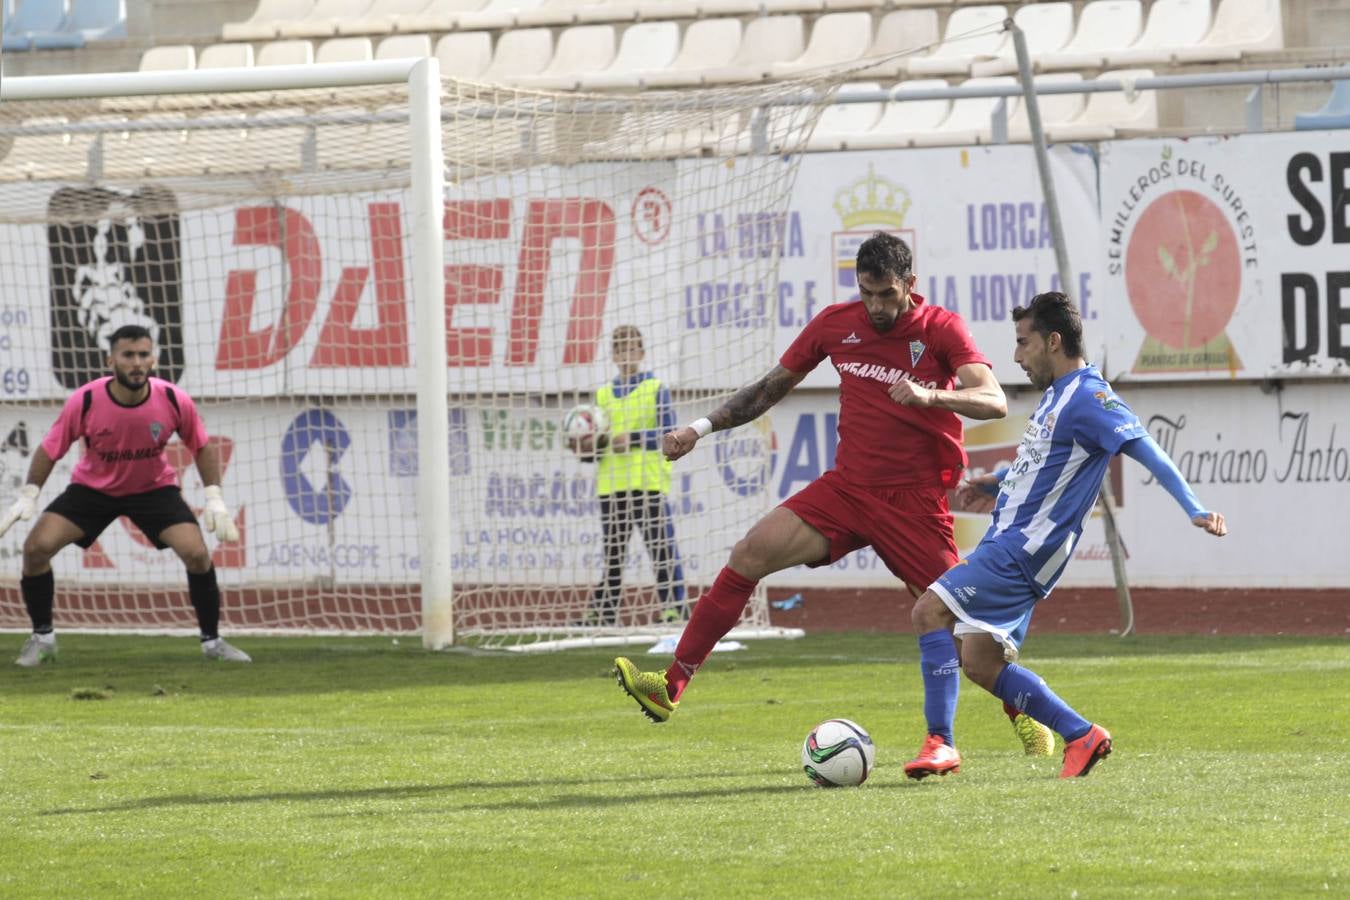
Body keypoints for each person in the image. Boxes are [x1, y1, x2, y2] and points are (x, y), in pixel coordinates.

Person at [612, 232, 1054, 753]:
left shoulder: (941, 328)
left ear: (909, 285)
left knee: (964, 627)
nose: (875, 306)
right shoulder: (835, 324)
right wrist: (700, 429)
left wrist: (931, 395)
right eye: (866, 293)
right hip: (847, 491)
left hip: (913, 504)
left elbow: (994, 399)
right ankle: (670, 687)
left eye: (886, 294)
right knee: (748, 554)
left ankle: (1028, 713)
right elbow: (769, 388)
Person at [902, 291, 1228, 781]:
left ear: (1053, 341)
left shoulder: (1089, 397)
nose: (1016, 356)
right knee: (979, 661)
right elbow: (1046, 465)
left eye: (1022, 342)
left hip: (1022, 551)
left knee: (929, 609)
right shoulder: (1058, 395)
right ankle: (1081, 735)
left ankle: (941, 744)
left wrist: (1195, 508)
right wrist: (998, 483)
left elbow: (1147, 451)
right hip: (1008, 541)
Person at [0, 324, 251, 665]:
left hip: (153, 490)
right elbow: (49, 448)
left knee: (196, 554)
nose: (136, 362)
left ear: (154, 360)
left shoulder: (173, 399)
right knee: (35, 549)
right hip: (92, 490)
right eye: (128, 355)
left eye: (143, 355)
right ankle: (42, 639)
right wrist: (29, 495)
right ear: (111, 361)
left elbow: (202, 446)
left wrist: (214, 497)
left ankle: (213, 642)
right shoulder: (86, 399)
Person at [569, 325, 687, 626]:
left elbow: (668, 433)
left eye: (632, 349)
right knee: (613, 555)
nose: (626, 355)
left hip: (647, 482)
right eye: (620, 350)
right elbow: (597, 443)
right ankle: (604, 613)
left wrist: (633, 438)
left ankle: (674, 608)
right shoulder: (603, 395)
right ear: (613, 355)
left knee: (661, 548)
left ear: (642, 353)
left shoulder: (655, 388)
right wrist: (584, 447)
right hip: (612, 485)